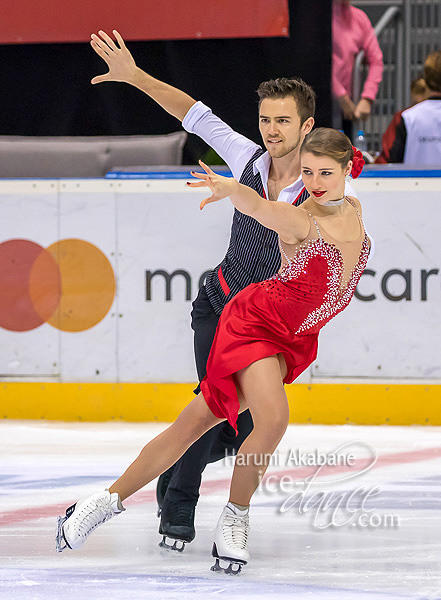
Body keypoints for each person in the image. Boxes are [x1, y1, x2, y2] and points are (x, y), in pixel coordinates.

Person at [56, 128, 371, 575]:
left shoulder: (354, 209)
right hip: (256, 324)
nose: (316, 182)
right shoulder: (301, 220)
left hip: (294, 336)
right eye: (307, 172)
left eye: (326, 172)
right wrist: (233, 191)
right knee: (273, 418)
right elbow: (262, 207)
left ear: (346, 171)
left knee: (194, 424)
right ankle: (234, 518)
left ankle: (102, 502)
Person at [89, 29, 358, 552]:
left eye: (283, 120)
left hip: (268, 325)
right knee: (210, 403)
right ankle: (178, 513)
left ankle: (171, 477)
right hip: (220, 304)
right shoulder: (248, 160)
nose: (272, 130)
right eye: (265, 119)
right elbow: (193, 113)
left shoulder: (321, 186)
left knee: (235, 430)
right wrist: (134, 76)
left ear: (307, 124)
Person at [332, 0, 383, 137]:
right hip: (320, 100)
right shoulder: (319, 18)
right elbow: (318, 59)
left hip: (348, 107)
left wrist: (367, 97)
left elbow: (376, 61)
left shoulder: (359, 18)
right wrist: (340, 95)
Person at [388, 50, 441, 164]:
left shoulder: (409, 117)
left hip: (415, 181)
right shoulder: (408, 117)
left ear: (426, 78)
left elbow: (394, 160)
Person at [375, 78, 428, 164]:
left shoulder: (404, 117)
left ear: (414, 94)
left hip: (411, 174)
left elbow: (390, 153)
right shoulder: (405, 116)